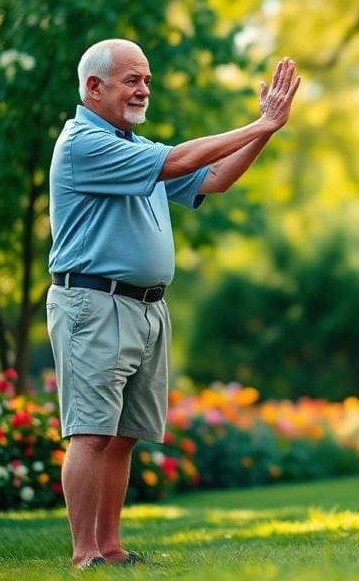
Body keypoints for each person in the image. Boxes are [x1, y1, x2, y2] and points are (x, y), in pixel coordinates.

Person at [46, 39, 300, 568]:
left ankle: (110, 548)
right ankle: (84, 553)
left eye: (147, 80)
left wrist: (266, 131)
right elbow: (181, 158)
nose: (143, 90)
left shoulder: (134, 148)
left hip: (145, 308)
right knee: (91, 432)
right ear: (94, 87)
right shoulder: (83, 144)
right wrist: (260, 123)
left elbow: (215, 178)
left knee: (123, 437)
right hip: (95, 304)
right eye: (131, 80)